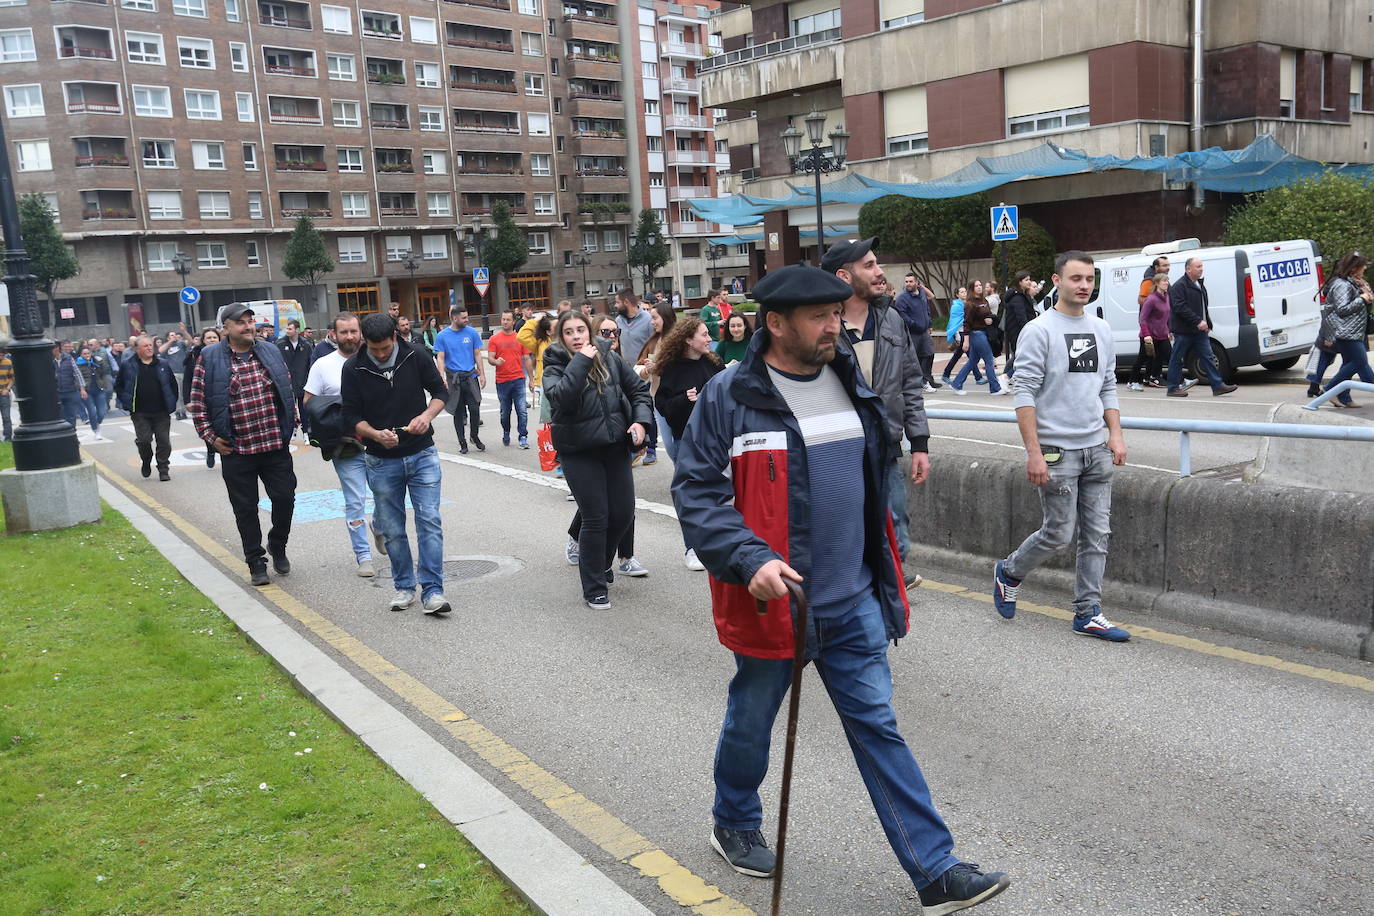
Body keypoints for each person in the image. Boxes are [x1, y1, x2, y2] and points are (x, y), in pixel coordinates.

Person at [671, 263, 1010, 914]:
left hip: (851, 600)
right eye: (821, 317)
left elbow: (864, 479)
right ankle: (733, 819)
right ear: (775, 325)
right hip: (777, 601)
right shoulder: (729, 396)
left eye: (838, 313)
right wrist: (749, 559)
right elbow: (697, 491)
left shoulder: (845, 377)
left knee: (878, 727)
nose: (837, 325)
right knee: (752, 722)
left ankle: (934, 869)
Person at [992, 251, 1131, 642]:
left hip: (1096, 448)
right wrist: (1033, 452)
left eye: (1089, 278)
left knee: (1098, 534)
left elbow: (1107, 386)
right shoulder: (1039, 330)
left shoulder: (1101, 329)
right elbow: (1024, 393)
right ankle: (1010, 571)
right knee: (1058, 533)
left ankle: (1088, 612)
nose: (1084, 285)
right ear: (1057, 281)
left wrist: (1115, 434)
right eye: (1076, 278)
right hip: (1057, 451)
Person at [822, 238, 931, 583]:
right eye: (868, 265)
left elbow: (911, 383)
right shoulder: (821, 326)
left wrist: (920, 443)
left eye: (876, 263)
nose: (880, 271)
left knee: (896, 526)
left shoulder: (891, 320)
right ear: (843, 276)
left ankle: (888, 591)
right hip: (836, 450)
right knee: (842, 528)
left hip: (884, 445)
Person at [341, 313, 452, 613]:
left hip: (422, 453)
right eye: (374, 349)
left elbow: (441, 392)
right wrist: (375, 434)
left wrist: (426, 417)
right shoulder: (353, 367)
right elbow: (350, 416)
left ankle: (433, 590)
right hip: (380, 460)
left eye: (385, 348)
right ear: (365, 340)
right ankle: (404, 587)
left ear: (395, 337)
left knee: (429, 520)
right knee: (392, 528)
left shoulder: (415, 355)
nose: (380, 354)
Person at [542, 310, 652, 609]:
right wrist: (581, 362)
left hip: (614, 446)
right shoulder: (554, 363)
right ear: (561, 337)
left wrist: (641, 423)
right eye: (569, 332)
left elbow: (639, 391)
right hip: (579, 451)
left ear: (589, 332)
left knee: (622, 513)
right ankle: (594, 586)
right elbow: (561, 399)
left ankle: (600, 563)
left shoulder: (611, 358)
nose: (576, 336)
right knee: (596, 516)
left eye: (581, 330)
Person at [189, 303, 298, 587]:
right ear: (225, 328)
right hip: (237, 450)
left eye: (250, 321)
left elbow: (286, 388)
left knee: (285, 498)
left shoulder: (269, 350)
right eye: (241, 322)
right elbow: (199, 403)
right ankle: (255, 561)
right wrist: (211, 438)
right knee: (245, 508)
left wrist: (291, 423)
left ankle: (277, 544)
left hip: (275, 445)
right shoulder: (209, 357)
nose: (248, 326)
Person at [303, 312, 380, 578]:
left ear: (361, 333)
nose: (349, 337)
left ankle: (379, 528)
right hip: (345, 446)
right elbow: (309, 402)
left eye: (353, 332)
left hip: (378, 442)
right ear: (334, 335)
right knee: (355, 499)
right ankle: (363, 556)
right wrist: (335, 411)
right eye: (344, 332)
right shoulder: (322, 365)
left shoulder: (375, 358)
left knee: (385, 495)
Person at [653, 316, 721, 571]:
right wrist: (684, 399)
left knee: (719, 494)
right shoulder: (672, 369)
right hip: (688, 440)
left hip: (717, 438)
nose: (709, 339)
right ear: (688, 340)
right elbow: (663, 407)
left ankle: (717, 543)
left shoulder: (713, 363)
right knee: (690, 494)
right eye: (704, 335)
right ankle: (692, 547)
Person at [1165, 257, 1238, 397]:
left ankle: (1218, 386)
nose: (1201, 269)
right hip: (1184, 331)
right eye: (1198, 266)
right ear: (1188, 269)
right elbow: (1180, 307)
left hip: (1199, 332)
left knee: (1208, 357)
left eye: (1201, 266)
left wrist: (1207, 323)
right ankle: (1173, 388)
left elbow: (1203, 307)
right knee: (1177, 359)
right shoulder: (1179, 286)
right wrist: (1198, 321)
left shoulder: (1199, 284)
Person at [115, 335, 179, 480]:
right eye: (145, 346)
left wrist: (171, 401)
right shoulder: (128, 364)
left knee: (164, 441)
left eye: (150, 345)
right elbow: (119, 385)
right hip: (139, 412)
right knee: (144, 441)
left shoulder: (162, 364)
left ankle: (163, 469)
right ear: (137, 349)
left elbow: (172, 384)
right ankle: (146, 460)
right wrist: (126, 401)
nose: (149, 348)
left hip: (161, 411)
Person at [1319, 252, 1374, 408]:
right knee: (1359, 362)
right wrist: (1362, 299)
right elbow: (1342, 309)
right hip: (1345, 332)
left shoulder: (1356, 283)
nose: (1365, 268)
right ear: (1354, 268)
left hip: (1354, 331)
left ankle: (1344, 397)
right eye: (1363, 265)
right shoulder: (1342, 285)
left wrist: (1365, 296)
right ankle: (1329, 390)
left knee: (1348, 364)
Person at [433, 307, 486, 453]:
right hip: (454, 379)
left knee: (475, 409)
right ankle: (462, 442)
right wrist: (441, 377)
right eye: (464, 318)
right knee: (457, 411)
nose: (467, 320)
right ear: (454, 318)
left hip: (470, 377)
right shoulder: (442, 336)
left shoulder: (472, 332)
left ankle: (474, 436)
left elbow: (477, 354)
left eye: (467, 317)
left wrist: (482, 374)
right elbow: (441, 357)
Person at [949, 285, 1005, 395]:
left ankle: (956, 383)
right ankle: (995, 388)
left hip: (984, 332)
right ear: (972, 288)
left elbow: (989, 315)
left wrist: (990, 319)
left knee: (973, 361)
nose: (979, 287)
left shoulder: (984, 300)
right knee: (989, 360)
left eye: (980, 285)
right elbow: (967, 323)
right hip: (977, 334)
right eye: (976, 286)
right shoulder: (970, 304)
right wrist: (965, 340)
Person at [487, 309, 530, 448]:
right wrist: (495, 361)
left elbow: (527, 359)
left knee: (522, 410)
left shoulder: (520, 338)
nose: (504, 322)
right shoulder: (494, 339)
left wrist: (532, 379)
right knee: (505, 412)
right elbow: (490, 358)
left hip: (518, 379)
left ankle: (523, 436)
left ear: (513, 321)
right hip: (502, 381)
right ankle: (506, 431)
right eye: (503, 319)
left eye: (507, 319)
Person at [893, 273, 940, 391]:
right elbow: (903, 316)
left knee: (929, 354)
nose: (908, 284)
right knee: (914, 359)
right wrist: (915, 325)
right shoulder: (902, 298)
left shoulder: (922, 293)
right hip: (912, 333)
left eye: (911, 281)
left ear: (917, 283)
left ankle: (925, 380)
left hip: (924, 332)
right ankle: (915, 383)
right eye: (906, 282)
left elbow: (927, 307)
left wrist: (929, 324)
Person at [182, 329, 221, 467]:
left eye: (214, 337)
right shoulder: (194, 356)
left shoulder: (226, 352)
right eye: (208, 337)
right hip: (202, 397)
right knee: (207, 425)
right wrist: (187, 400)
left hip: (222, 395)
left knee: (222, 424)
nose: (212, 340)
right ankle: (211, 449)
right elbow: (187, 380)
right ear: (203, 340)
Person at [1127, 275, 1172, 391]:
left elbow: (1167, 317)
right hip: (1149, 336)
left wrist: (1169, 331)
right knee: (1142, 359)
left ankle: (1179, 381)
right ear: (1157, 283)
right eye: (1164, 281)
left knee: (1171, 357)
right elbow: (1142, 319)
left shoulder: (1166, 297)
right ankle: (1132, 382)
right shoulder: (1151, 299)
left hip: (1162, 335)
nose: (1167, 283)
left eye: (1167, 281)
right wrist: (1146, 334)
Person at [940, 286, 983, 386]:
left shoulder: (967, 304)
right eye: (962, 292)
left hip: (966, 332)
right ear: (957, 295)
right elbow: (955, 323)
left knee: (957, 355)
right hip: (960, 333)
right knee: (970, 355)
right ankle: (978, 377)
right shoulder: (956, 306)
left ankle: (946, 374)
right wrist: (957, 336)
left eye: (965, 291)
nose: (964, 293)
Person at [277, 319, 312, 435]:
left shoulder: (306, 344)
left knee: (304, 409)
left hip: (303, 383)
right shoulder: (280, 344)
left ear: (297, 330)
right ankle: (292, 431)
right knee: (289, 409)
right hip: (287, 384)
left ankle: (306, 432)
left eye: (290, 328)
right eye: (286, 328)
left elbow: (310, 364)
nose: (287, 331)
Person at [1000, 271, 1037, 380]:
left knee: (1019, 357)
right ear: (1019, 282)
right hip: (1018, 333)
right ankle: (1006, 376)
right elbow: (1021, 318)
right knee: (1024, 358)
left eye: (1029, 279)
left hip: (1021, 332)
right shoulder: (1017, 298)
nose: (1029, 282)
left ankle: (1005, 377)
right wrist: (1028, 332)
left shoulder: (1023, 295)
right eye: (1026, 280)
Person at [614, 287, 654, 365]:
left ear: (626, 302)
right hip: (624, 370)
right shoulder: (617, 321)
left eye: (618, 302)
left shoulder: (648, 319)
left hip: (642, 371)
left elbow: (653, 346)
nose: (615, 305)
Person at [75, 346, 108, 438]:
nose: (87, 355)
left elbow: (104, 372)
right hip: (87, 391)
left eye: (88, 353)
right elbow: (76, 378)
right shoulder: (78, 364)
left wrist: (100, 362)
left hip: (99, 389)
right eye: (84, 354)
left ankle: (97, 423)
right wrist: (81, 389)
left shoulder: (96, 361)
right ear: (81, 355)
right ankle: (96, 429)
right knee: (92, 411)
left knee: (102, 412)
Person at [159, 329, 190, 419]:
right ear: (168, 337)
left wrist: (184, 331)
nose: (174, 336)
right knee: (177, 393)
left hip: (183, 371)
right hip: (173, 372)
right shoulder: (166, 346)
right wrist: (170, 342)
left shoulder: (181, 344)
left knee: (183, 393)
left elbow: (190, 341)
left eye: (175, 335)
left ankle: (183, 411)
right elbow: (160, 350)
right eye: (172, 335)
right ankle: (178, 411)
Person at [0, 346, 12, 442]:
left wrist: (7, 389)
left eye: (3, 355)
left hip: (4, 393)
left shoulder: (8, 362)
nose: (1, 357)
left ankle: (8, 438)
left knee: (6, 416)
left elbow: (12, 378)